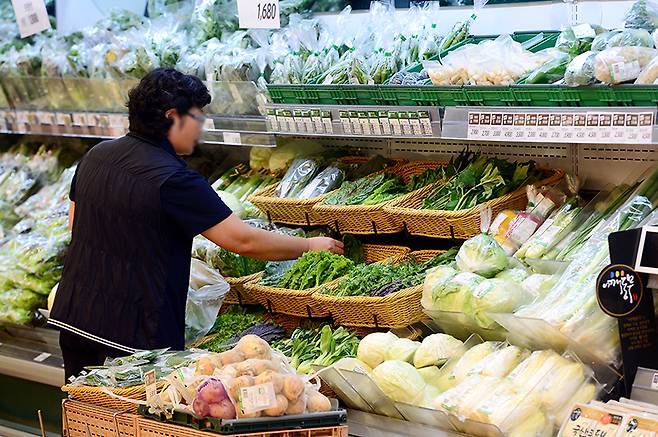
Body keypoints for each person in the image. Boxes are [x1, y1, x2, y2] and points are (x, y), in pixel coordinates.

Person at [49, 68, 344, 380]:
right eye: (198, 117)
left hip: (76, 318)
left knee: (87, 415)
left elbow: (76, 226)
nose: (201, 127)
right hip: (135, 336)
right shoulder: (174, 179)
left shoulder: (96, 156)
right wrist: (309, 245)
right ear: (173, 117)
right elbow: (241, 240)